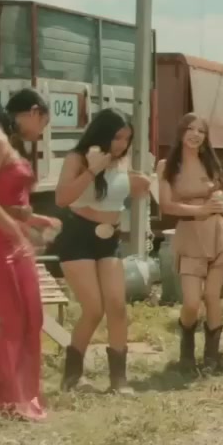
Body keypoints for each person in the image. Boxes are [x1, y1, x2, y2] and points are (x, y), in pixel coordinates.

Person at [0, 88, 57, 420]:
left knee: (33, 318)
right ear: (33, 111)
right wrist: (15, 231)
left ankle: (22, 397)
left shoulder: (10, 144)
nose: (41, 132)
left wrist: (34, 220)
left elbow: (8, 201)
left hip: (13, 239)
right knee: (14, 321)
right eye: (43, 122)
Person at [52, 108, 151, 392]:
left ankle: (119, 380)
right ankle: (72, 377)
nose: (121, 144)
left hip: (109, 238)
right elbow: (62, 198)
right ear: (102, 133)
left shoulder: (122, 160)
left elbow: (120, 189)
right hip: (78, 236)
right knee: (94, 309)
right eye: (117, 137)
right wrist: (93, 169)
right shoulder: (77, 158)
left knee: (117, 306)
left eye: (127, 139)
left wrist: (140, 183)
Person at [158, 113, 223, 370]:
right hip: (190, 235)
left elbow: (221, 202)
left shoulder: (211, 164)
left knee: (212, 296)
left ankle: (212, 358)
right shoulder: (167, 166)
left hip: (218, 234)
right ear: (181, 132)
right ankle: (186, 354)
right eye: (190, 129)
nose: (195, 135)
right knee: (192, 302)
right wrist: (199, 210)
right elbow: (166, 205)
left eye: (201, 131)